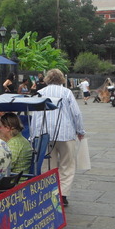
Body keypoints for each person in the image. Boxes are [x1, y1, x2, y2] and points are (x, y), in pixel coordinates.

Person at [30, 69, 85, 207]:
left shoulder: (40, 93)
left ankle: (50, 193)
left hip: (45, 133)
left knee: (49, 165)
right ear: (61, 79)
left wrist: (34, 135)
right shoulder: (66, 92)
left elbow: (35, 116)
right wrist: (80, 130)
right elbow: (76, 114)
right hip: (66, 133)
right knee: (67, 164)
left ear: (47, 79)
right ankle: (63, 195)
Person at [0, 113, 32, 181]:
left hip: (15, 182)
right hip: (19, 178)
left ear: (8, 128)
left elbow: (7, 166)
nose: (0, 129)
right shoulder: (21, 139)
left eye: (1, 126)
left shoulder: (14, 143)